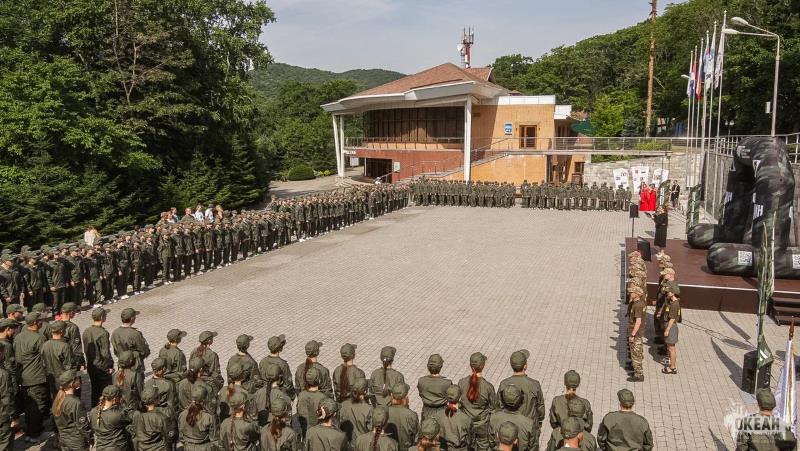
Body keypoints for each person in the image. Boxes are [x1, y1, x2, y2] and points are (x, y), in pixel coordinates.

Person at [13, 311, 49, 443]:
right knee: (37, 406)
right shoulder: (39, 338)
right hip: (36, 377)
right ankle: (35, 433)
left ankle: (31, 431)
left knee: (29, 405)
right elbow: (46, 356)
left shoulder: (18, 336)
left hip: (23, 376)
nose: (42, 323)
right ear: (35, 323)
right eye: (40, 321)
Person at [497, 350, 544, 436]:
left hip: (508, 431)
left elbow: (498, 407)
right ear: (525, 366)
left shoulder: (504, 384)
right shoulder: (534, 384)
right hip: (528, 429)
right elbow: (540, 408)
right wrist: (538, 423)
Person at [457, 353, 496, 451]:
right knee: (483, 447)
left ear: (470, 366)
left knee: (467, 446)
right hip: (482, 424)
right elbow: (493, 407)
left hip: (466, 423)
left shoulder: (461, 383)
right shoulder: (488, 387)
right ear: (483, 366)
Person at [488, 385, 537, 451]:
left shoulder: (493, 418)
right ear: (520, 402)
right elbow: (533, 447)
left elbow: (491, 442)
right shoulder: (528, 424)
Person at [52, 370, 92, 451]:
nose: (79, 380)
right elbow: (83, 426)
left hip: (64, 441)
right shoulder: (76, 403)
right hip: (77, 444)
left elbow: (54, 422)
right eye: (77, 379)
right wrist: (90, 438)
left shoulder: (57, 400)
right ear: (71, 384)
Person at [83, 307, 114, 406]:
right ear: (101, 317)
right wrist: (110, 366)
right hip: (102, 366)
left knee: (95, 390)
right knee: (106, 392)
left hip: (91, 365)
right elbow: (105, 353)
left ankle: (94, 409)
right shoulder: (103, 333)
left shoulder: (87, 331)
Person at [111, 308, 151, 382]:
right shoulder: (135, 334)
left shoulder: (115, 333)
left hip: (122, 365)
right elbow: (144, 351)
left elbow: (115, 351)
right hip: (135, 367)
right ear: (132, 318)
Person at [89, 385, 133, 451]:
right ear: (114, 399)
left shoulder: (93, 412)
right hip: (116, 447)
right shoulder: (116, 414)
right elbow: (130, 417)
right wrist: (123, 404)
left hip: (101, 447)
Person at [178, 384, 217, 451]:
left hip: (187, 448)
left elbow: (181, 437)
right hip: (204, 448)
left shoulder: (182, 415)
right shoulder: (208, 417)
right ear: (204, 400)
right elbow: (213, 439)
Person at [135, 386, 174, 451]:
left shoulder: (137, 414)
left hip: (142, 448)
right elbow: (169, 436)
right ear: (156, 400)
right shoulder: (161, 417)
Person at [433, 384, 471, 451]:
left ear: (446, 397)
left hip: (443, 448)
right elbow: (470, 439)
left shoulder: (437, 415)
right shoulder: (466, 418)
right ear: (459, 398)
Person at [297, 367, 329, 441]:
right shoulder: (322, 397)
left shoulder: (301, 395)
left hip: (305, 432)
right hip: (318, 434)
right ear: (319, 380)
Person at [339, 378, 373, 446]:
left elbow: (339, 423)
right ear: (365, 391)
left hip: (347, 443)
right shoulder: (368, 408)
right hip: (362, 444)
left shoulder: (343, 404)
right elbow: (371, 429)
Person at [260, 334, 295, 400]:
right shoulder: (283, 364)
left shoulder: (263, 361)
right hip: (278, 395)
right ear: (280, 349)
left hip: (264, 393)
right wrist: (292, 397)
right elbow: (288, 384)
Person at [417, 354, 451, 421]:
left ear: (428, 367)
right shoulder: (447, 383)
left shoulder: (421, 381)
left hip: (426, 412)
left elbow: (421, 393)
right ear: (441, 366)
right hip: (442, 413)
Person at [385, 382, 418, 451]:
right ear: (405, 397)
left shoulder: (385, 411)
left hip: (388, 447)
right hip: (406, 448)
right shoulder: (412, 414)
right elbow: (415, 435)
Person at [627, 290, 647, 383]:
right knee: (637, 352)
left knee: (636, 353)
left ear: (637, 294)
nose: (630, 293)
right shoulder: (639, 303)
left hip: (636, 333)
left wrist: (632, 335)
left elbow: (638, 322)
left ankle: (638, 375)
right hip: (637, 332)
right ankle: (636, 369)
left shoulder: (638, 306)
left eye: (632, 292)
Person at [660, 285, 681, 375]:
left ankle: (672, 368)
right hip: (668, 325)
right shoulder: (670, 301)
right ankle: (671, 363)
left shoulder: (675, 304)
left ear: (673, 293)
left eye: (668, 292)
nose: (667, 293)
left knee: (671, 348)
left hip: (671, 327)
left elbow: (672, 319)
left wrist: (667, 330)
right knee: (669, 347)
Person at [0, 347, 17, 451]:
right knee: (5, 444)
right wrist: (12, 416)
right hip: (2, 417)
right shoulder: (3, 374)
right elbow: (7, 398)